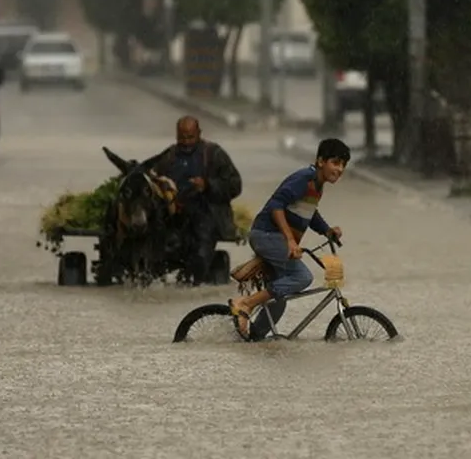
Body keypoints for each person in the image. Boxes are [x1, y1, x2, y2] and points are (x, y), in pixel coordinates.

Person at [227, 138, 350, 338]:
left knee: (278, 302)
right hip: (267, 235)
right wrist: (290, 241)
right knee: (302, 277)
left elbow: (309, 213)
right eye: (335, 163)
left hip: (274, 239)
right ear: (321, 161)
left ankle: (252, 341)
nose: (340, 169)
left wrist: (327, 231)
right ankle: (245, 304)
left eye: (343, 165)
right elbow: (276, 205)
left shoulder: (317, 186)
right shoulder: (305, 178)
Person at [148, 116, 243, 285]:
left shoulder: (214, 154)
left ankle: (196, 280)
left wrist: (208, 185)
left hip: (206, 213)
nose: (185, 142)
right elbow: (153, 181)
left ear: (199, 134)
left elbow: (235, 185)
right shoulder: (168, 156)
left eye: (190, 137)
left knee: (200, 251)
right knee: (159, 244)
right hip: (174, 214)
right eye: (181, 137)